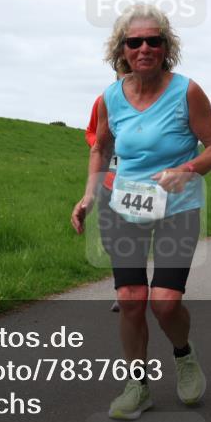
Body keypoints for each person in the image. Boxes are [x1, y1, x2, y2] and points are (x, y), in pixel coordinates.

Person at [71, 4, 211, 420]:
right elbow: (101, 147)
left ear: (166, 47)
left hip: (178, 205)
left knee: (164, 303)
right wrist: (89, 195)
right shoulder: (110, 96)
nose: (144, 48)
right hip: (123, 205)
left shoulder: (187, 91)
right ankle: (137, 385)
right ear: (122, 49)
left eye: (153, 41)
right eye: (135, 41)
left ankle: (183, 353)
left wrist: (187, 169)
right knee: (131, 298)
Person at [86, 91, 123, 313]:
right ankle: (126, 288)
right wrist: (104, 142)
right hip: (109, 182)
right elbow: (91, 132)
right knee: (111, 240)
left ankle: (128, 290)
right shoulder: (105, 100)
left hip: (140, 185)